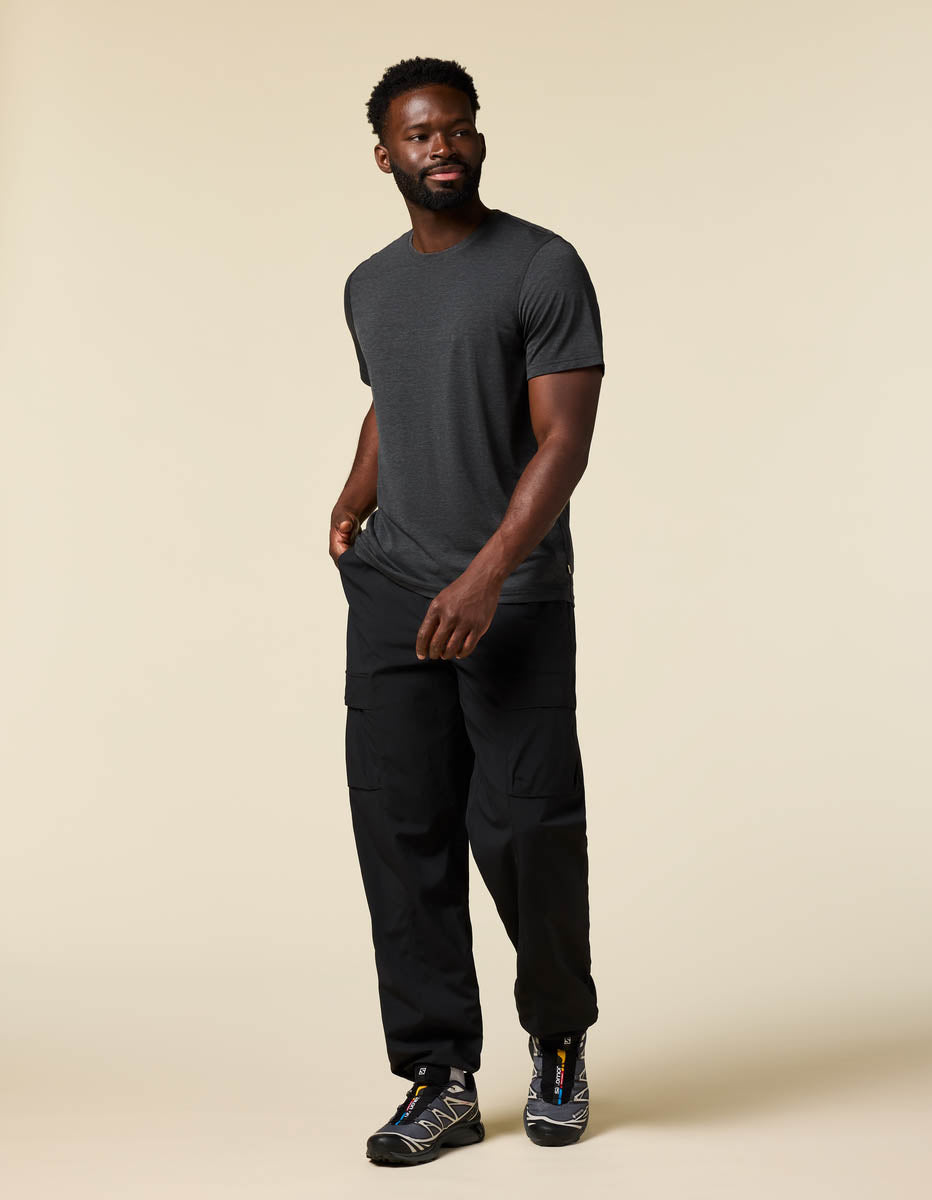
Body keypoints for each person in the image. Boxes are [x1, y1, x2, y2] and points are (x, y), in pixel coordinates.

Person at [332, 55, 603, 1165]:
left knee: (528, 831)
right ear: (385, 155)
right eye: (419, 133)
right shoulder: (368, 284)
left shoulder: (542, 266)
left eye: (456, 127)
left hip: (511, 599)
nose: (441, 145)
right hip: (394, 592)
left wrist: (488, 574)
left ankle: (559, 1041)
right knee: (402, 835)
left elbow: (564, 440)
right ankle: (438, 1076)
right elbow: (392, 401)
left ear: (478, 139)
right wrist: (356, 491)